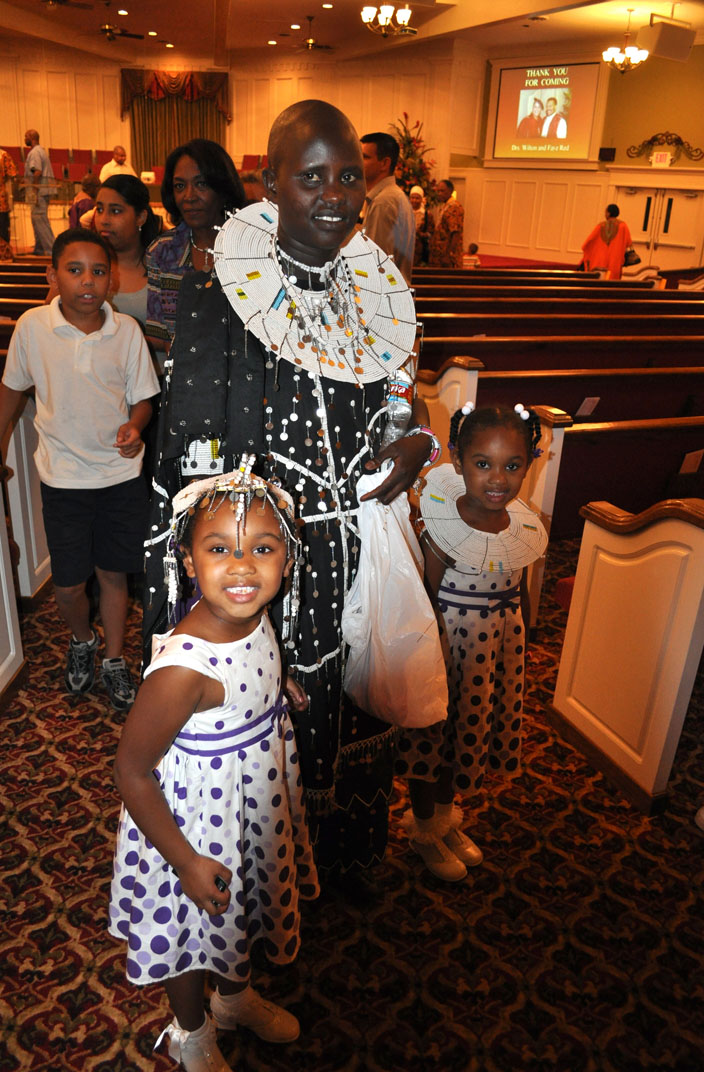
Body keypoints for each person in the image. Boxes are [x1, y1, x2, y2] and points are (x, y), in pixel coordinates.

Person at [143, 99, 435, 883]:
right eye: (312, 178)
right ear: (271, 182)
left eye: (347, 175)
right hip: (266, 567)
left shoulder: (375, 296)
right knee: (281, 715)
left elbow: (402, 405)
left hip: (360, 545)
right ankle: (278, 878)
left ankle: (352, 853)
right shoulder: (219, 302)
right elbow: (188, 476)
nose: (336, 194)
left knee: (362, 699)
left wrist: (414, 441)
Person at [110, 464, 318, 1071]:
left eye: (262, 548)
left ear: (286, 555)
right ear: (189, 558)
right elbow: (130, 771)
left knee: (237, 915)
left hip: (248, 802)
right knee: (189, 938)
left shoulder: (251, 613)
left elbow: (249, 678)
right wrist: (185, 860)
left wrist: (279, 692)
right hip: (190, 827)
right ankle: (191, 1030)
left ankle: (232, 999)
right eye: (220, 549)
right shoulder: (183, 669)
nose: (243, 567)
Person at [0, 229, 159, 710]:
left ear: (111, 280)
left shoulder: (126, 331)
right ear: (53, 275)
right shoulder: (33, 327)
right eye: (74, 270)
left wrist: (134, 427)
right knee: (68, 584)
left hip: (118, 477)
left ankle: (112, 658)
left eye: (98, 271)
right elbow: (11, 393)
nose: (87, 281)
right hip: (63, 478)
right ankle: (82, 639)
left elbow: (143, 399)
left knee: (113, 574)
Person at [395, 402, 548, 881]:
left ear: (529, 463)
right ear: (459, 461)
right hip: (447, 652)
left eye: (512, 465)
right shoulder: (444, 530)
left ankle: (444, 819)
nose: (497, 479)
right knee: (434, 743)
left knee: (467, 737)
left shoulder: (520, 527)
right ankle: (424, 828)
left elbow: (519, 589)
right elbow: (423, 602)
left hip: (493, 653)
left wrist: (520, 644)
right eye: (483, 464)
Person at [145, 139, 245, 350]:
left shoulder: (251, 248)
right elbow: (160, 337)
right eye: (180, 186)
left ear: (222, 188)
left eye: (201, 184)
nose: (189, 196)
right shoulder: (162, 252)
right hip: (184, 377)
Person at [94, 174, 162, 327]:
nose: (104, 220)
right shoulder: (83, 264)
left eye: (115, 211)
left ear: (141, 217)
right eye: (99, 209)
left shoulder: (164, 268)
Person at [360, 131, 415, 282]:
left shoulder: (384, 202)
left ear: (384, 163)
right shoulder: (394, 195)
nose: (357, 161)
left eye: (365, 157)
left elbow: (378, 265)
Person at [23, 129, 55, 256]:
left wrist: (34, 190)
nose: (25, 138)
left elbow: (37, 171)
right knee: (37, 220)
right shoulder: (41, 151)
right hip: (43, 190)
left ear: (32, 137)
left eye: (26, 136)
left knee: (41, 220)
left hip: (39, 191)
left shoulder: (35, 152)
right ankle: (40, 249)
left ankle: (51, 250)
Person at [581, 203, 632, 281]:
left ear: (608, 213)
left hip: (600, 262)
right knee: (612, 284)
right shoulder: (623, 226)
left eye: (605, 212)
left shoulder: (600, 226)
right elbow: (628, 242)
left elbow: (588, 243)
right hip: (615, 262)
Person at [429, 178, 464, 269]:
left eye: (442, 191)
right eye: (438, 191)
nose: (439, 193)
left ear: (450, 191)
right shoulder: (446, 206)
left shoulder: (454, 207)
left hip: (447, 257)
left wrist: (449, 254)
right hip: (440, 255)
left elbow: (455, 232)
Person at [0, 146, 18, 258]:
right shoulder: (3, 155)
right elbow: (12, 174)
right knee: (2, 228)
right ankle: (4, 254)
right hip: (1, 201)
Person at [409, 183, 431, 266]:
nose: (414, 200)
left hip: (420, 250)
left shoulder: (427, 214)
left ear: (421, 199)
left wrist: (422, 234)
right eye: (412, 198)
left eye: (417, 198)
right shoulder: (405, 212)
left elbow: (431, 232)